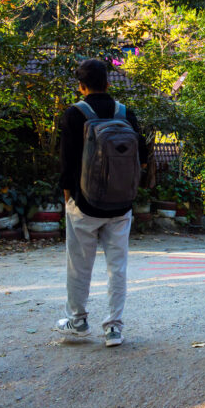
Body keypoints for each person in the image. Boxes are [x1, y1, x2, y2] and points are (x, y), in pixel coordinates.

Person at [55, 58, 147, 347]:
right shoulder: (125, 113)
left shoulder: (74, 114)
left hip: (84, 204)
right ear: (108, 83)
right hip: (121, 205)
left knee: (79, 265)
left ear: (81, 86)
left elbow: (66, 162)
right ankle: (114, 328)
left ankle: (78, 321)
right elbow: (142, 157)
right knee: (117, 267)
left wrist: (69, 198)